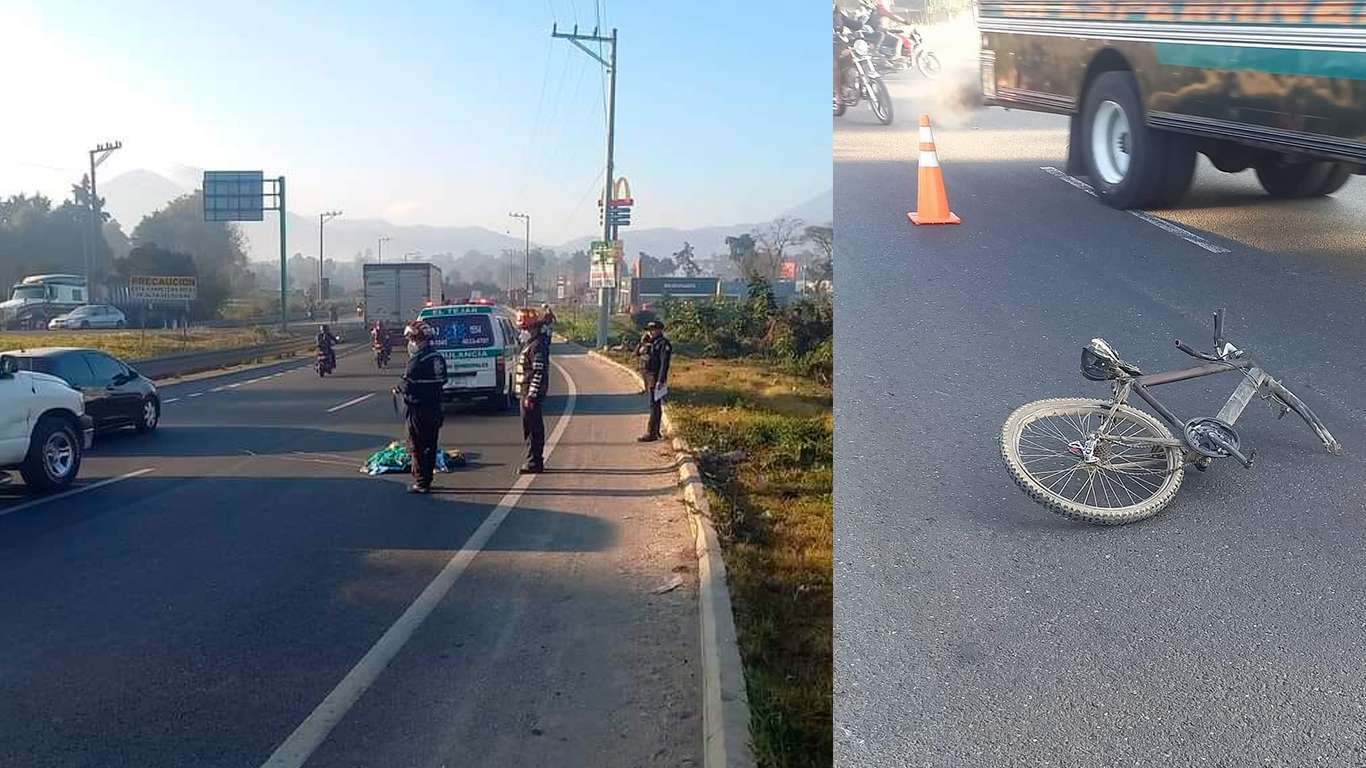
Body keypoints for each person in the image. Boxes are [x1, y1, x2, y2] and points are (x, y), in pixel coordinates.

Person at [395, 321, 447, 493]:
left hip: (419, 409)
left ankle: (421, 481)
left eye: (411, 339)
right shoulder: (438, 357)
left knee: (417, 445)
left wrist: (398, 388)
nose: (410, 343)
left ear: (417, 340)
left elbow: (407, 384)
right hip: (436, 407)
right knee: (431, 444)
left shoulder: (417, 361)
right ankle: (427, 478)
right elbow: (443, 380)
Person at [516, 309, 550, 473]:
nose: (522, 333)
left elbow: (538, 372)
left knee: (533, 429)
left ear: (532, 329)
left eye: (524, 330)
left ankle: (534, 462)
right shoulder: (531, 344)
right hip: (525, 393)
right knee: (529, 428)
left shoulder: (537, 346)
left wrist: (531, 395)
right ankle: (535, 460)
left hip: (530, 394)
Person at [635, 320, 672, 442]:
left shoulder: (663, 344)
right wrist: (642, 342)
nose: (650, 332)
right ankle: (656, 431)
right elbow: (636, 354)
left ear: (660, 330)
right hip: (647, 376)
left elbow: (664, 363)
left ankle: (651, 433)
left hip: (655, 377)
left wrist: (660, 380)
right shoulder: (648, 343)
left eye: (653, 330)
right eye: (649, 330)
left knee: (654, 405)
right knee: (654, 404)